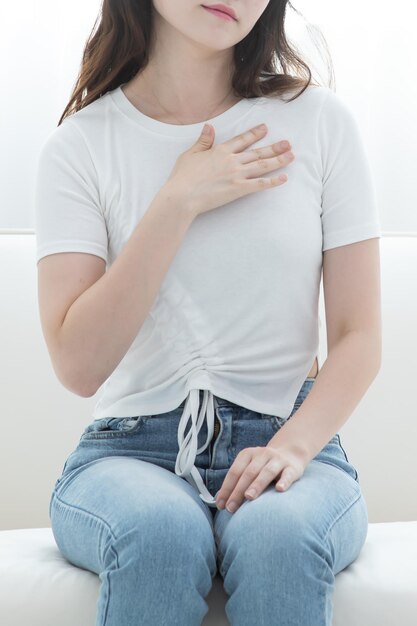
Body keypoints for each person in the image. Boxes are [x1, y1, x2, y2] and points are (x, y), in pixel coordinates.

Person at [35, 1, 382, 624]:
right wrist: (177, 200)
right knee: (160, 537)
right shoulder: (81, 146)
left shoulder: (320, 122)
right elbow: (78, 366)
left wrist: (294, 448)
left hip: (290, 442)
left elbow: (360, 335)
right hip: (127, 454)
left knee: (279, 538)